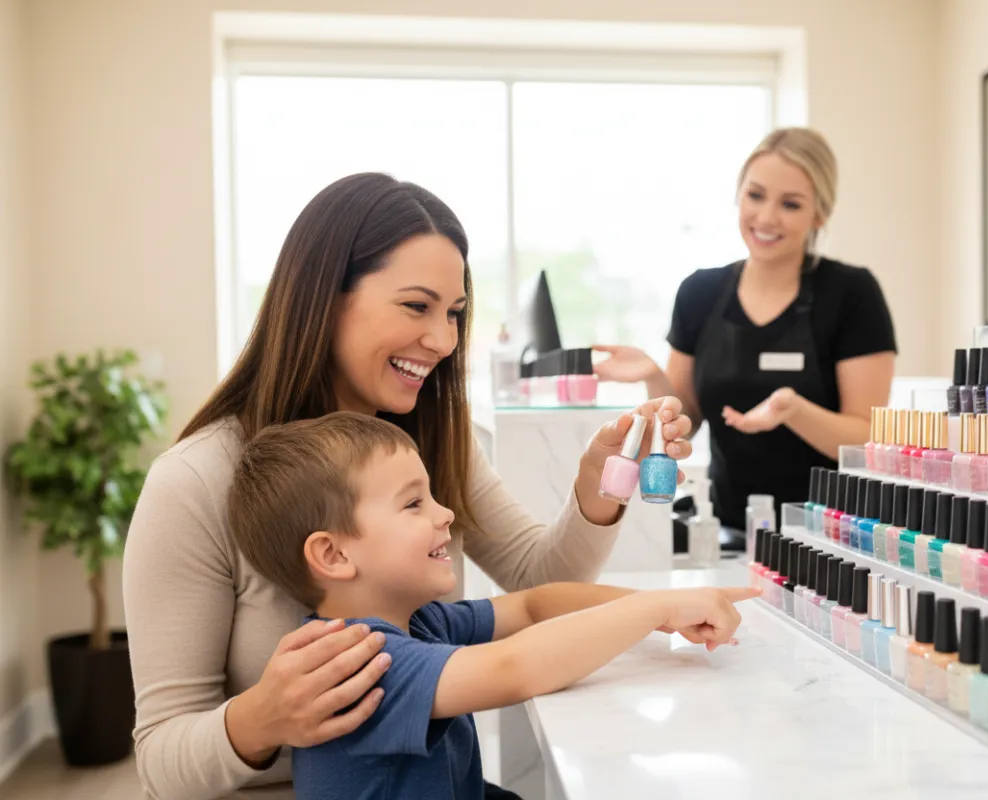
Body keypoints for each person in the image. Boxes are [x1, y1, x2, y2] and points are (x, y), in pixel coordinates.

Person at [122, 174, 694, 800]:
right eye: (416, 307)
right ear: (324, 298)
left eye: (454, 314)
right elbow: (160, 760)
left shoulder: (417, 442)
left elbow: (533, 584)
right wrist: (262, 718)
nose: (444, 341)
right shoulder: (194, 482)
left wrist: (597, 489)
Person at [226, 411, 755, 800]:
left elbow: (535, 606)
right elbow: (515, 666)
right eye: (414, 503)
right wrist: (656, 609)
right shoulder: (355, 663)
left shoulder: (416, 623)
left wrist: (664, 607)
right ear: (334, 553)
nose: (446, 513)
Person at [594, 127, 896, 534]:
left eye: (790, 204)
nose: (766, 218)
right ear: (738, 195)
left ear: (819, 214)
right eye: (755, 196)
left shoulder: (851, 293)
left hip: (834, 539)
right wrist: (653, 375)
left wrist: (795, 411)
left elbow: (866, 440)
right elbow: (686, 417)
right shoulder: (700, 292)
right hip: (728, 530)